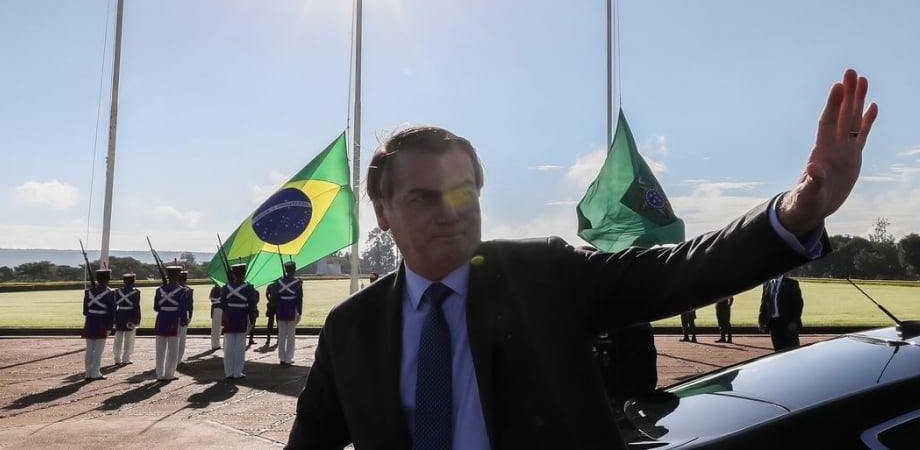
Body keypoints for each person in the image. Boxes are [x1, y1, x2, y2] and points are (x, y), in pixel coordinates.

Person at [285, 68, 878, 450]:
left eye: (465, 193)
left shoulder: (545, 275)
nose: (452, 212)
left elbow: (679, 270)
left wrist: (798, 210)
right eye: (423, 198)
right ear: (382, 212)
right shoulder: (352, 329)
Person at [222, 262, 259, 380]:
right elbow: (252, 307)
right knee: (239, 347)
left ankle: (228, 372)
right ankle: (237, 372)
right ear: (244, 273)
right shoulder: (248, 288)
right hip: (242, 318)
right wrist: (252, 320)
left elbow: (223, 305)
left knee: (228, 347)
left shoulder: (226, 288)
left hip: (229, 318)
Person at [81, 267, 115, 380]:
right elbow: (111, 311)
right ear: (108, 279)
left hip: (90, 321)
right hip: (102, 322)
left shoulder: (89, 292)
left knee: (89, 348)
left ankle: (88, 372)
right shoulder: (110, 293)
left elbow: (85, 311)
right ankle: (95, 372)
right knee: (98, 350)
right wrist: (110, 325)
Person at [153, 264, 185, 380]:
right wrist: (183, 322)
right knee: (173, 350)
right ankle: (169, 374)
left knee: (160, 350)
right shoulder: (182, 291)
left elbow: (156, 307)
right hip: (174, 320)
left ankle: (159, 373)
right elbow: (182, 309)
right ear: (178, 276)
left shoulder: (159, 290)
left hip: (161, 319)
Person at [758, 274, 804, 351]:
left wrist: (794, 321)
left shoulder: (791, 284)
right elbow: (764, 304)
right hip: (773, 324)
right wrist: (761, 322)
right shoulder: (767, 284)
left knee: (792, 351)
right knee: (778, 351)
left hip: (788, 324)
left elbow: (798, 304)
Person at [274, 261, 304, 365]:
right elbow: (299, 298)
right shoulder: (297, 283)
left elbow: (275, 298)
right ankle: (288, 358)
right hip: (292, 308)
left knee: (281, 334)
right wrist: (299, 311)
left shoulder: (279, 282)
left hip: (281, 308)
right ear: (294, 270)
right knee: (291, 335)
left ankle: (281, 357)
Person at [113, 272, 141, 364]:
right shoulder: (136, 292)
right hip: (130, 315)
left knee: (118, 337)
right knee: (129, 338)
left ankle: (117, 358)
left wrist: (114, 318)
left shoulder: (117, 291)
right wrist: (137, 319)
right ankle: (126, 358)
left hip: (120, 314)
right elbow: (136, 307)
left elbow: (114, 306)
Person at [177, 269, 194, 363]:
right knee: (182, 338)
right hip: (185, 313)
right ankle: (178, 358)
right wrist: (190, 316)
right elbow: (190, 305)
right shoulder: (188, 290)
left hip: (174, 314)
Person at [264, 280, 278, 347]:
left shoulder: (270, 286)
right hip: (278, 306)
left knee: (270, 322)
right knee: (278, 322)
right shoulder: (279, 285)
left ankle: (268, 339)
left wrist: (270, 301)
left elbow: (267, 295)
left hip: (271, 305)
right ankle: (278, 338)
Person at [209, 283, 223, 350]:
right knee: (217, 328)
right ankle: (215, 344)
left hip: (215, 308)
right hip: (219, 308)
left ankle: (215, 344)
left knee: (216, 328)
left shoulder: (214, 288)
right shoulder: (219, 289)